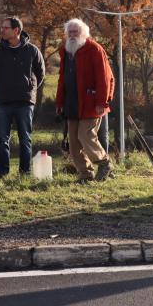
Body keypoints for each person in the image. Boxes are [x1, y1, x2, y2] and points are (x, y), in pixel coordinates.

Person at [55, 18, 116, 183]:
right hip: (71, 104)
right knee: (74, 144)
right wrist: (59, 103)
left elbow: (105, 78)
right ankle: (85, 175)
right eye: (70, 32)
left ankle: (104, 163)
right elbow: (62, 80)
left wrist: (102, 102)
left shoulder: (94, 49)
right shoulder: (66, 51)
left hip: (90, 104)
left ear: (84, 33)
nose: (73, 35)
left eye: (76, 31)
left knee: (85, 136)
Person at [0, 16, 46, 177]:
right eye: (2, 27)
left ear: (16, 31)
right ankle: (2, 174)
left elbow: (41, 73)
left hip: (25, 102)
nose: (2, 30)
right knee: (2, 139)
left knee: (25, 139)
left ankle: (24, 173)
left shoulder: (32, 50)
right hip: (3, 102)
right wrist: (0, 89)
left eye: (5, 28)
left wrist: (30, 90)